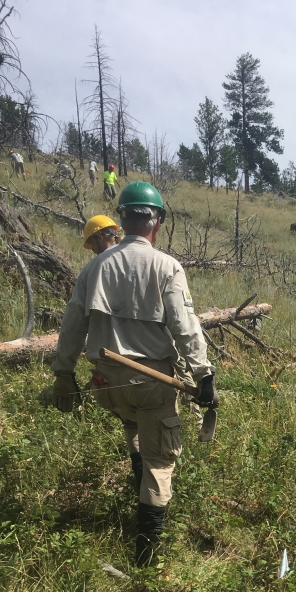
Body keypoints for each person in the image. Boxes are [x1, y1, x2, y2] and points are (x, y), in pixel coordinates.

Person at [49, 181, 217, 566]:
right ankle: (146, 556)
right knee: (161, 462)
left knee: (133, 425)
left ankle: (136, 481)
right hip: (153, 383)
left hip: (106, 385)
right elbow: (184, 324)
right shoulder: (166, 266)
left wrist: (64, 373)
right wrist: (203, 375)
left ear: (122, 221)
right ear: (156, 222)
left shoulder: (94, 267)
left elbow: (72, 324)